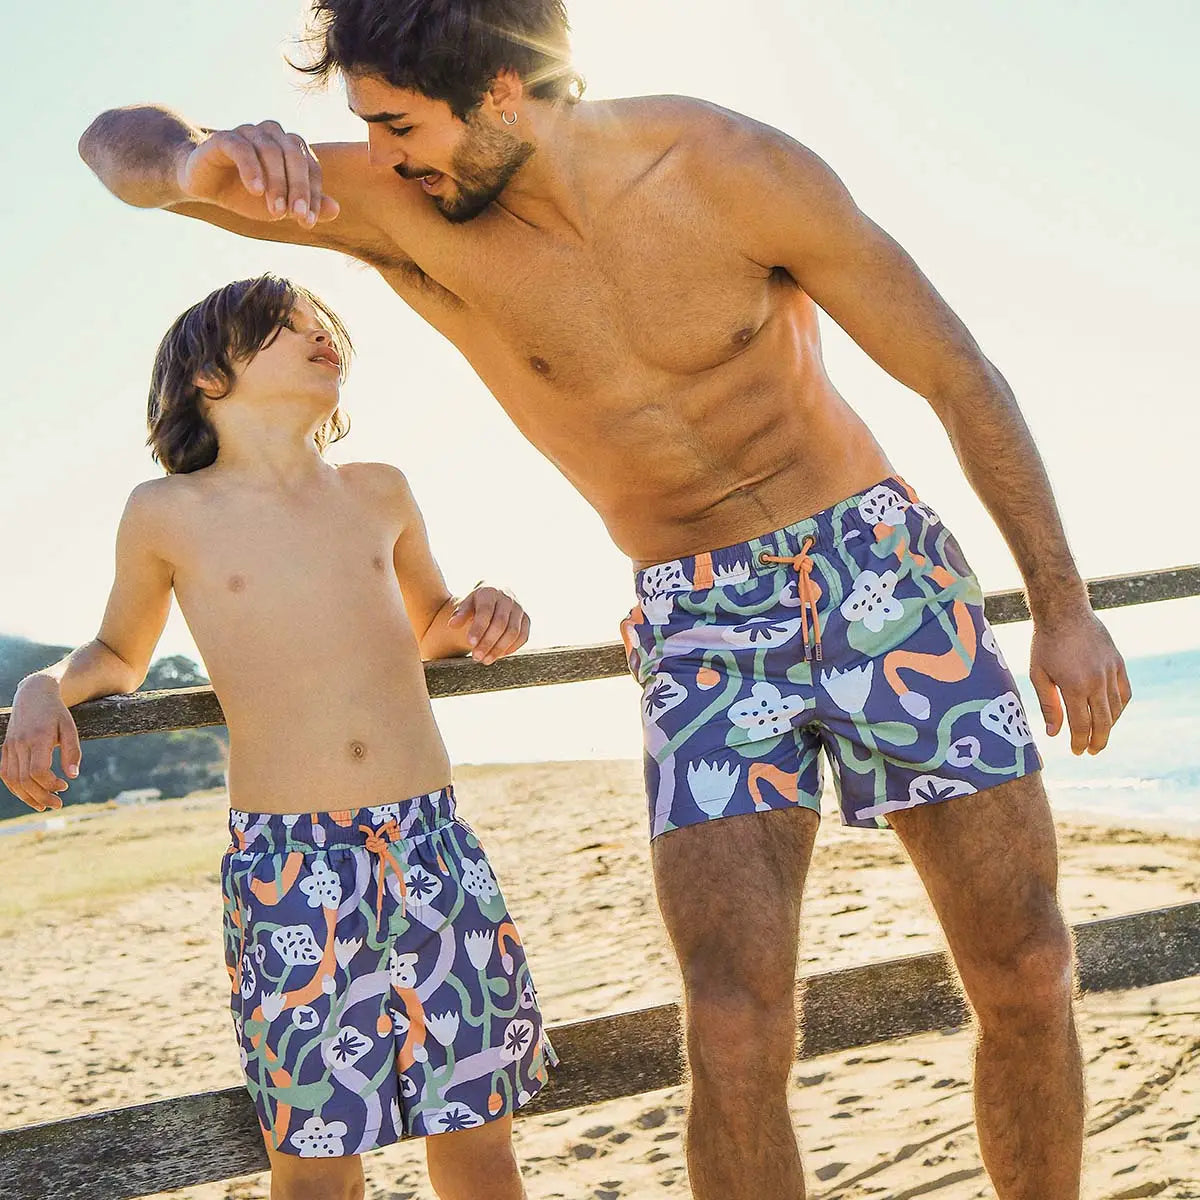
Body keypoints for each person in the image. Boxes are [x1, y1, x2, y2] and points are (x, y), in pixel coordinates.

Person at [76, 3, 1133, 1196]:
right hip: (697, 615)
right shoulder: (397, 204)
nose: (380, 149)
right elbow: (114, 146)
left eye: (398, 122)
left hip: (877, 568)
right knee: (732, 1023)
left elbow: (954, 371)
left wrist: (1062, 601)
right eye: (366, 122)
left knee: (1029, 964)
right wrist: (189, 160)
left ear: (505, 92)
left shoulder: (730, 167)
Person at [0, 274, 555, 1200]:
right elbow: (116, 653)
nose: (319, 333)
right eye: (285, 327)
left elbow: (428, 631)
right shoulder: (167, 512)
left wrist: (480, 616)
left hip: (431, 843)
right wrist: (41, 686)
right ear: (210, 378)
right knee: (316, 1164)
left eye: (322, 322)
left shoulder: (382, 491)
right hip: (292, 867)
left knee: (478, 1144)